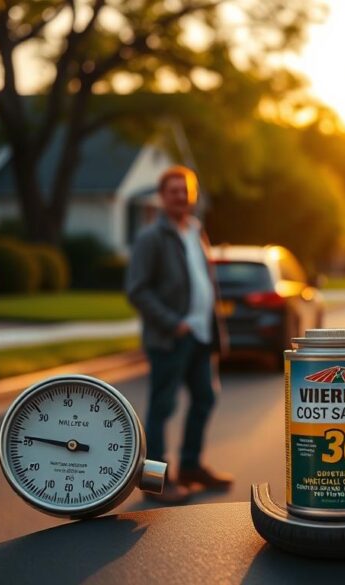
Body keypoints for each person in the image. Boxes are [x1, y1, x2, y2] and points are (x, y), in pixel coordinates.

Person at [126, 165, 233, 503]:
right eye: (174, 191)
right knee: (162, 408)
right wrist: (173, 322)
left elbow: (204, 283)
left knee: (206, 398)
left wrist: (214, 330)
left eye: (186, 191)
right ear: (162, 197)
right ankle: (156, 482)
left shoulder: (195, 230)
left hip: (201, 335)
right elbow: (138, 290)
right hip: (171, 337)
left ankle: (189, 467)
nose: (181, 197)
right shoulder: (151, 237)